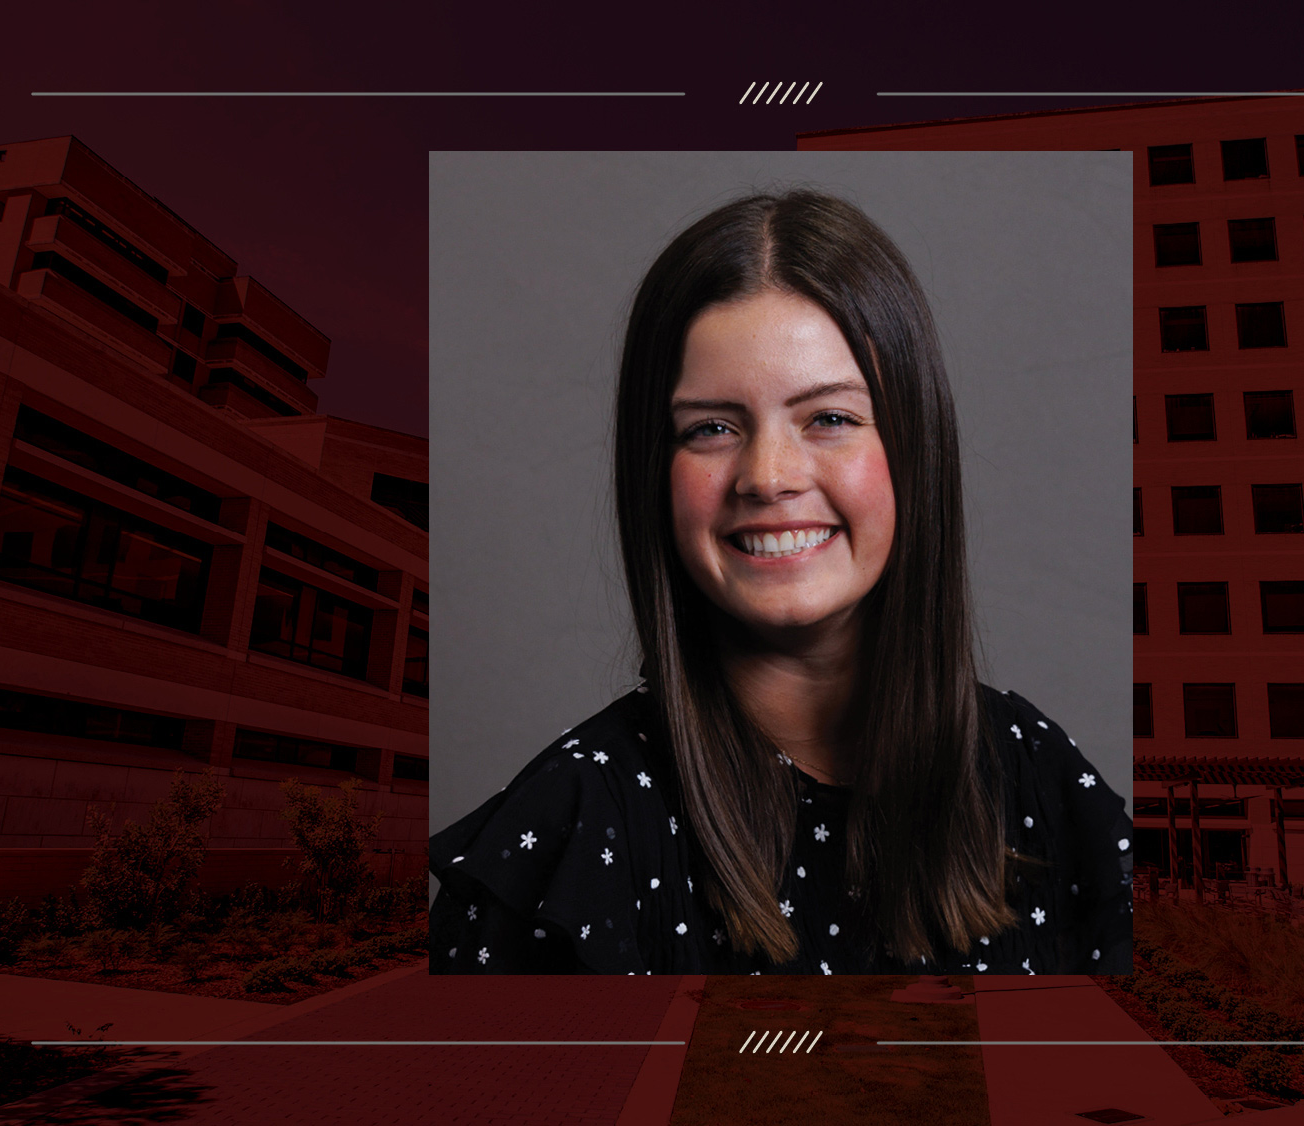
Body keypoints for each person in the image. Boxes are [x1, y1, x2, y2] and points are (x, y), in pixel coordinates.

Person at [431, 189, 1131, 974]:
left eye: (829, 418)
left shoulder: (1042, 780)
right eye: (711, 428)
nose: (767, 477)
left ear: (914, 448)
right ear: (653, 473)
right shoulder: (569, 831)